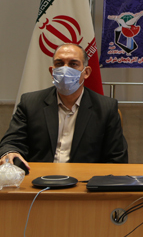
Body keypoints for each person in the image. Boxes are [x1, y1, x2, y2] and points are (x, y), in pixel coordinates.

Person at [0, 43, 128, 170]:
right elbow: (12, 142)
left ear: (86, 72)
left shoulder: (106, 108)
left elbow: (117, 158)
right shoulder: (30, 103)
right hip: (39, 177)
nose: (65, 69)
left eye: (73, 64)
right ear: (52, 71)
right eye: (59, 64)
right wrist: (10, 152)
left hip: (84, 179)